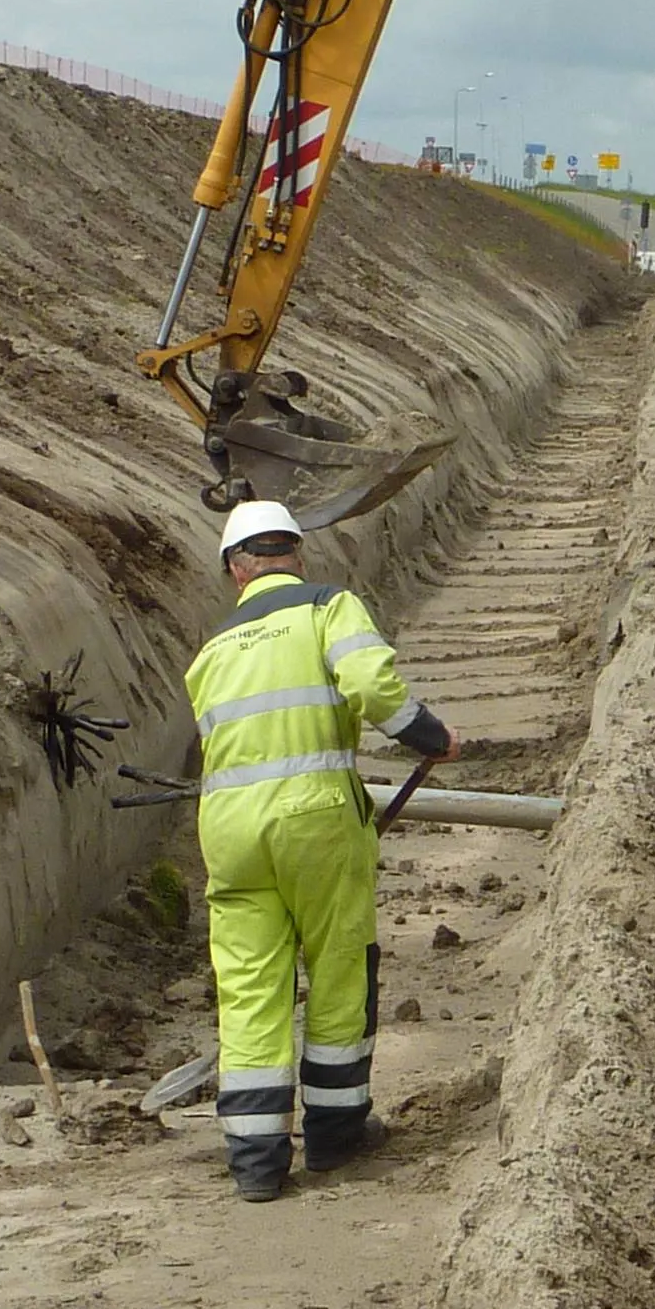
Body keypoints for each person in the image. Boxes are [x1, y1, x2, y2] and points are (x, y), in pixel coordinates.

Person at [183, 498, 452, 1202]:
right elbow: (368, 684)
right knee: (337, 970)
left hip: (229, 835)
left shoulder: (209, 652)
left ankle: (256, 1162)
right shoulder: (327, 607)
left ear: (236, 571)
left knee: (248, 988)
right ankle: (334, 1138)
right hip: (315, 821)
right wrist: (427, 736)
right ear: (297, 557)